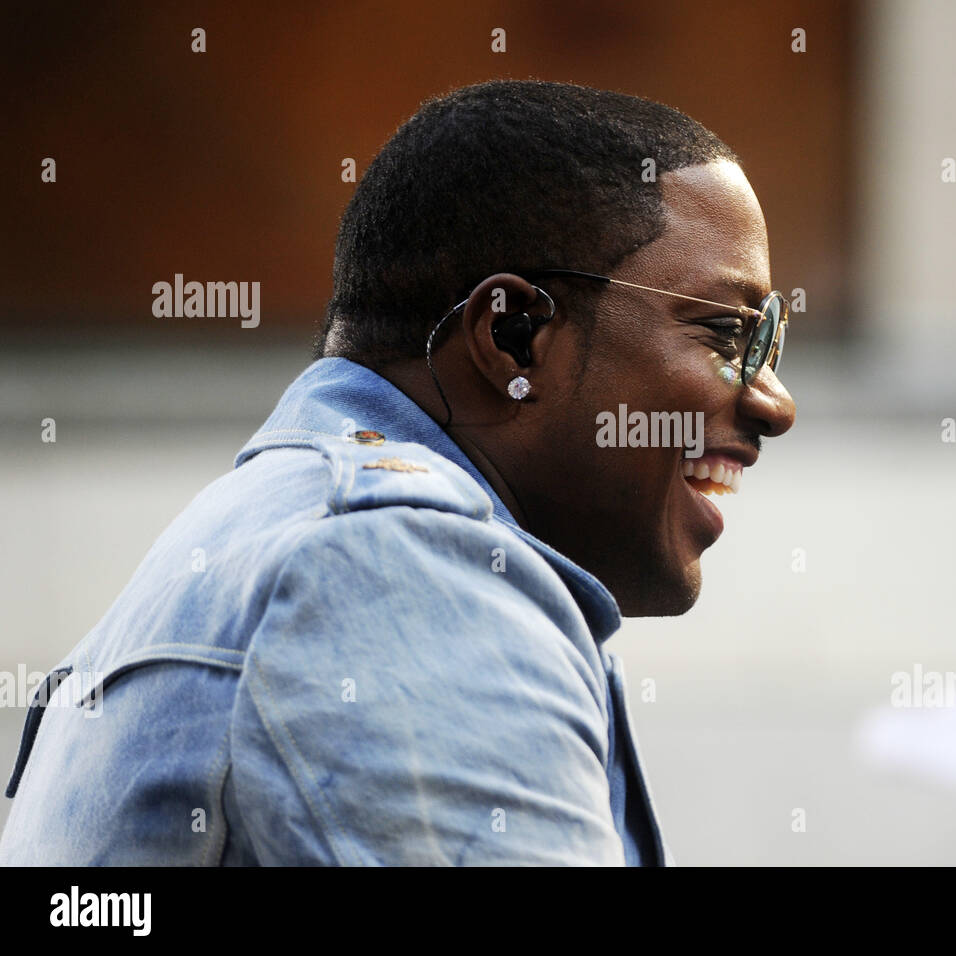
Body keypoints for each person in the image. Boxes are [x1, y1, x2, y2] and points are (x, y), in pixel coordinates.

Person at [0, 79, 796, 866]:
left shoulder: (288, 535)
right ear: (514, 337)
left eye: (773, 342)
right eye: (727, 334)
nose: (775, 403)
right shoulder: (390, 568)